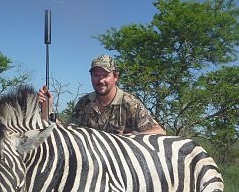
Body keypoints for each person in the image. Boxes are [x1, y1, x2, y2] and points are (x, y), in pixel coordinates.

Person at [38, 55, 166, 135]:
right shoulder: (84, 103)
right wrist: (48, 108)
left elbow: (159, 131)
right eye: (96, 75)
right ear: (91, 77)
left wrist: (132, 137)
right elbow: (68, 132)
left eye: (105, 75)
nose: (100, 80)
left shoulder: (129, 102)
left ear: (115, 77)